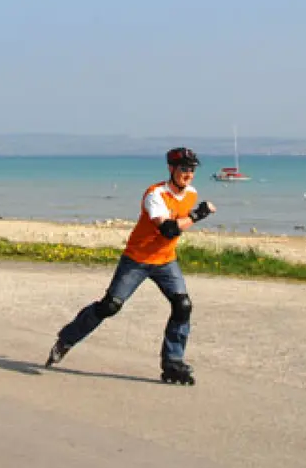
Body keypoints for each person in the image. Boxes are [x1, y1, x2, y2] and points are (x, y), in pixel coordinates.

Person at [44, 148, 216, 384]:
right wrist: (198, 216)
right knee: (110, 306)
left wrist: (195, 214)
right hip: (137, 260)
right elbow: (167, 230)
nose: (189, 174)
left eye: (192, 170)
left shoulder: (191, 194)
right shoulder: (154, 194)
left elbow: (177, 227)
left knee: (183, 306)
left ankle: (173, 363)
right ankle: (66, 339)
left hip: (166, 261)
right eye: (184, 169)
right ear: (171, 169)